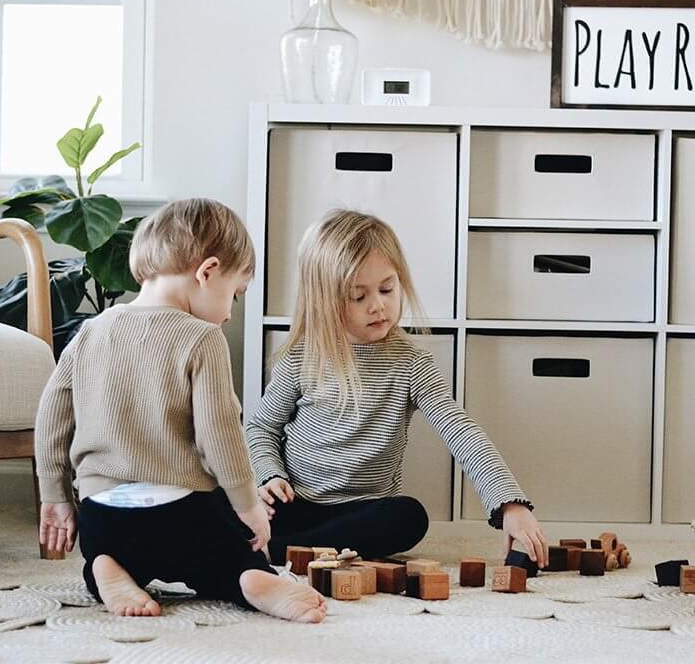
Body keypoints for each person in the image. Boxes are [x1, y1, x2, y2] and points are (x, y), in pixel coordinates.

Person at [35, 198, 326, 622]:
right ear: (207, 272)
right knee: (229, 554)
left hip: (103, 513)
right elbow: (219, 436)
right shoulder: (201, 338)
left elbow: (51, 418)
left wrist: (55, 495)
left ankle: (106, 567)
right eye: (235, 294)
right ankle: (250, 579)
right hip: (180, 513)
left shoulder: (90, 332)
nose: (228, 314)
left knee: (103, 550)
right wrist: (248, 509)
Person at [246, 208, 548, 568]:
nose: (378, 306)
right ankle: (295, 545)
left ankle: (280, 551)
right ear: (322, 300)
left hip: (365, 511)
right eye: (358, 297)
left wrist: (509, 503)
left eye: (387, 288)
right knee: (220, 499)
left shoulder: (411, 364)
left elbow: (461, 431)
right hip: (296, 502)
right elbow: (261, 427)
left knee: (410, 517)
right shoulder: (301, 358)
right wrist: (270, 475)